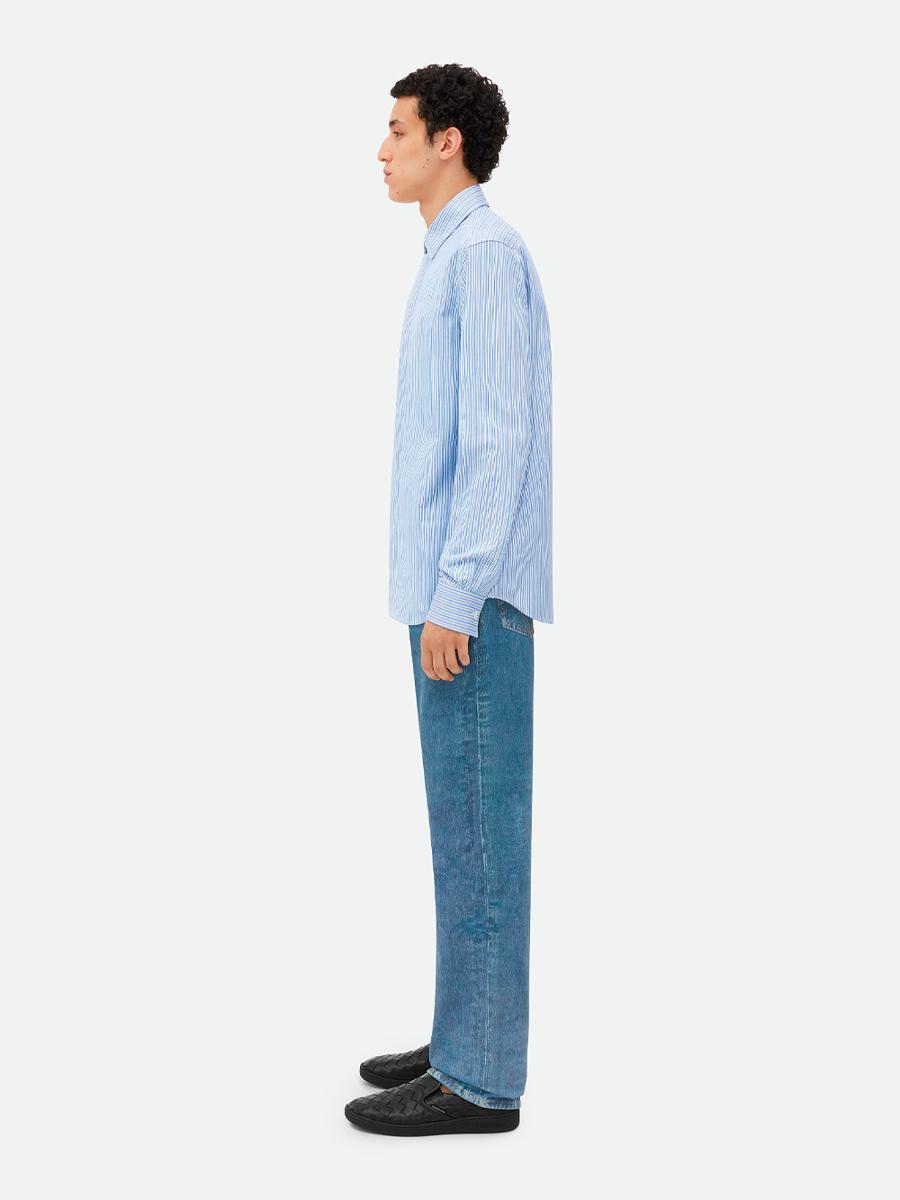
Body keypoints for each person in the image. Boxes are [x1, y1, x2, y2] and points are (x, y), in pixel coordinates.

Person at [344, 63, 553, 1137]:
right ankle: (464, 1031)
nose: (382, 149)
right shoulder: (450, 258)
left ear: (449, 142)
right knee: (459, 829)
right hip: (445, 595)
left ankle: (479, 1080)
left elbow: (499, 437)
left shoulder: (484, 257)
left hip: (469, 602)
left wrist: (457, 596)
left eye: (398, 129)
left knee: (480, 833)